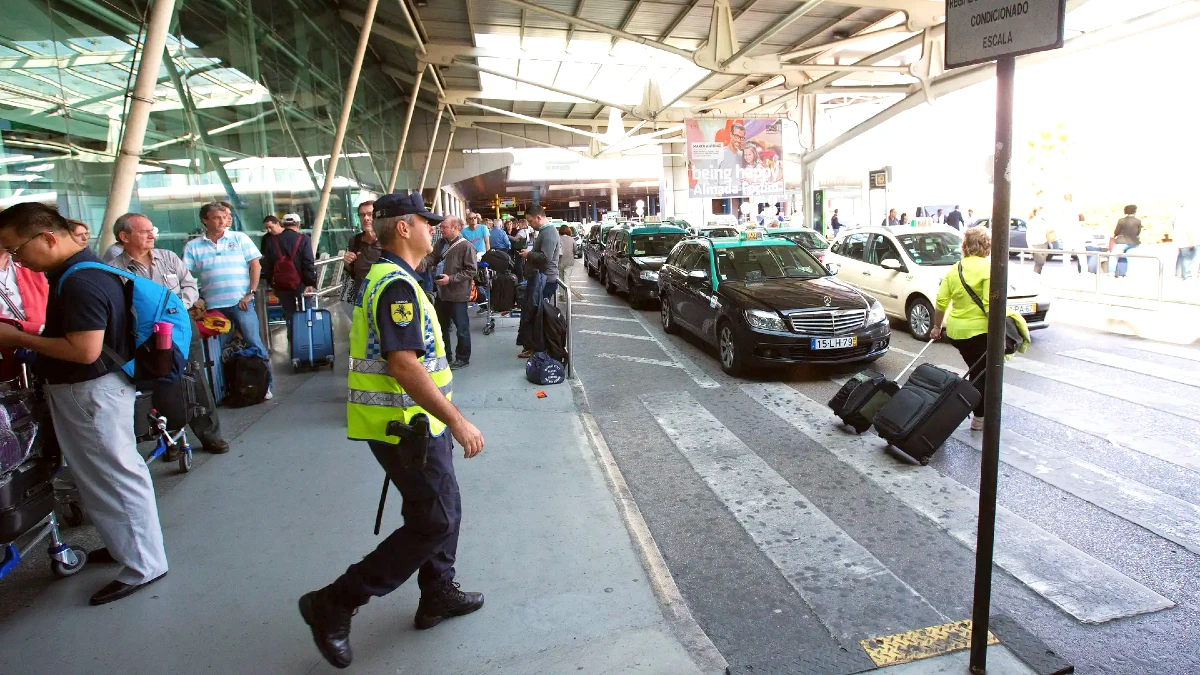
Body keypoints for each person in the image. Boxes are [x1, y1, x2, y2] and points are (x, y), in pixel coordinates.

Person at [299, 192, 485, 669]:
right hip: (407, 427)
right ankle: (335, 601)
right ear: (404, 228)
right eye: (426, 221)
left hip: (416, 424)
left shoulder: (397, 277)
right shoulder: (396, 286)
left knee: (443, 507)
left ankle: (437, 592)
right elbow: (403, 365)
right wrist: (457, 420)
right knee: (434, 520)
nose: (433, 228)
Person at [0, 202, 168, 605]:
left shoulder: (80, 281)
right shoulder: (82, 272)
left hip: (91, 392)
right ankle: (127, 546)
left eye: (17, 249)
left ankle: (144, 564)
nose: (17, 260)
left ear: (46, 238)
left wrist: (19, 338)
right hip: (92, 391)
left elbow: (84, 350)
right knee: (101, 476)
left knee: (114, 476)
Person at [111, 212, 228, 454]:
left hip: (182, 328)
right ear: (124, 236)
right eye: (144, 231)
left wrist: (178, 308)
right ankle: (168, 440)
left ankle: (210, 434)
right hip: (147, 337)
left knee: (196, 378)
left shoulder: (168, 257)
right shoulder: (115, 270)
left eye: (151, 230)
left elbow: (189, 284)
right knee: (159, 384)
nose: (151, 235)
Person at [183, 201, 272, 399]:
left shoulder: (239, 238)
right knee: (217, 351)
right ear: (205, 220)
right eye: (216, 217)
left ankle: (265, 385)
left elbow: (255, 265)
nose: (222, 221)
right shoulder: (193, 246)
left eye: (224, 217)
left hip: (240, 303)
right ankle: (223, 388)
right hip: (213, 306)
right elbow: (185, 274)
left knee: (254, 342)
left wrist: (250, 292)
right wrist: (195, 299)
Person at [929, 225, 992, 432]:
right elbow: (990, 305)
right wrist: (1000, 335)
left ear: (964, 246)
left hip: (957, 332)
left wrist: (937, 327)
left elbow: (941, 301)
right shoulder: (988, 269)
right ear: (987, 246)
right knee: (982, 375)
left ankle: (978, 413)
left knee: (976, 369)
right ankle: (978, 418)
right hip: (980, 332)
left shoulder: (955, 269)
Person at [421, 215, 476, 370]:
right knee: (441, 327)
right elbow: (432, 258)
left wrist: (450, 279)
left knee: (461, 329)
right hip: (441, 294)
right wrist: (418, 262)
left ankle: (462, 358)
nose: (441, 229)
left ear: (455, 228)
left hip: (457, 295)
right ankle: (446, 356)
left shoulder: (466, 247)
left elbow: (471, 270)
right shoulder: (441, 243)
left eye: (444, 227)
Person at [263, 213, 317, 345]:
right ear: (298, 224)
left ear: (283, 224)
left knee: (289, 313)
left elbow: (267, 265)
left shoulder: (272, 240)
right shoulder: (303, 239)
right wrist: (310, 283)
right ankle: (307, 340)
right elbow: (308, 262)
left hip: (282, 284)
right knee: (306, 311)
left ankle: (293, 342)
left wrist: (273, 284)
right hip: (301, 283)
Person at [343, 201, 383, 313]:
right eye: (362, 215)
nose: (366, 218)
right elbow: (352, 271)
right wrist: (347, 263)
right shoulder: (355, 241)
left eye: (370, 214)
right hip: (361, 299)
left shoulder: (387, 240)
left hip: (383, 297)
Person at [520, 205, 561, 304]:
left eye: (530, 221)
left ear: (538, 218)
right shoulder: (545, 231)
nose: (530, 225)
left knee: (540, 311)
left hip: (545, 280)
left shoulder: (549, 233)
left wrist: (528, 255)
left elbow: (545, 258)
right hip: (541, 279)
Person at [1112, 204, 1142, 278]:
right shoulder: (1138, 221)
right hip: (1133, 243)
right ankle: (1124, 273)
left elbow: (1117, 231)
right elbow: (1138, 233)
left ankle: (1111, 272)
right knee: (1127, 257)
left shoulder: (1121, 220)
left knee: (1113, 256)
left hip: (1121, 241)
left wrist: (1115, 236)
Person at [1173, 203, 1197, 281]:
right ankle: (1186, 275)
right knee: (1187, 258)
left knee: (1181, 257)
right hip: (1186, 240)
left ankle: (1178, 273)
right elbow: (1188, 229)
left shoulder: (1177, 217)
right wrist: (1191, 241)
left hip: (1180, 240)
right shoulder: (1187, 217)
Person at [1025, 206, 1051, 274]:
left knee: (1041, 263)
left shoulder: (1044, 221)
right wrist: (1030, 247)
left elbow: (1047, 232)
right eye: (1041, 212)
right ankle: (1035, 276)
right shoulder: (1031, 222)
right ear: (1036, 212)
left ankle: (1037, 275)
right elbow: (1028, 236)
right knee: (1039, 262)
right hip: (1035, 244)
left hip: (1044, 243)